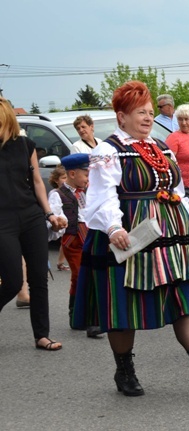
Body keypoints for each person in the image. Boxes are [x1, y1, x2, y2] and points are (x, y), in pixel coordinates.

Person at [71, 81, 189, 396]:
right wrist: (113, 228)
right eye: (139, 113)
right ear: (121, 117)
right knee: (123, 308)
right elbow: (102, 196)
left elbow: (175, 189)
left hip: (169, 236)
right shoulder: (108, 150)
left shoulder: (160, 147)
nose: (147, 118)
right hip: (129, 235)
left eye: (149, 112)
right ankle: (125, 372)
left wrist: (187, 221)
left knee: (182, 299)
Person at [0, 96, 66, 351]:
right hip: (3, 220)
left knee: (39, 277)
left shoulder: (26, 145)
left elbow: (38, 182)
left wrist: (49, 214)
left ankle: (42, 335)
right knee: (14, 280)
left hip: (30, 216)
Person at [48, 153, 101, 338]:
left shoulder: (87, 191)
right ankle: (82, 318)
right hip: (73, 238)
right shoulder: (58, 194)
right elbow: (55, 213)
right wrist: (60, 220)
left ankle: (82, 317)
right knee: (79, 275)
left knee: (91, 275)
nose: (88, 178)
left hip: (89, 234)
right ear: (72, 174)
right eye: (85, 174)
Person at [165, 103, 189, 197]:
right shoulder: (174, 137)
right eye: (180, 119)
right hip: (184, 188)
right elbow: (167, 162)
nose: (183, 123)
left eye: (186, 119)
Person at [48, 165, 70, 271]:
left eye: (67, 178)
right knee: (66, 242)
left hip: (72, 219)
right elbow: (53, 210)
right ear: (56, 180)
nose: (66, 181)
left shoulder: (71, 191)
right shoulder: (55, 193)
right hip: (62, 221)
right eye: (64, 178)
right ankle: (60, 263)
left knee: (67, 242)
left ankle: (60, 262)